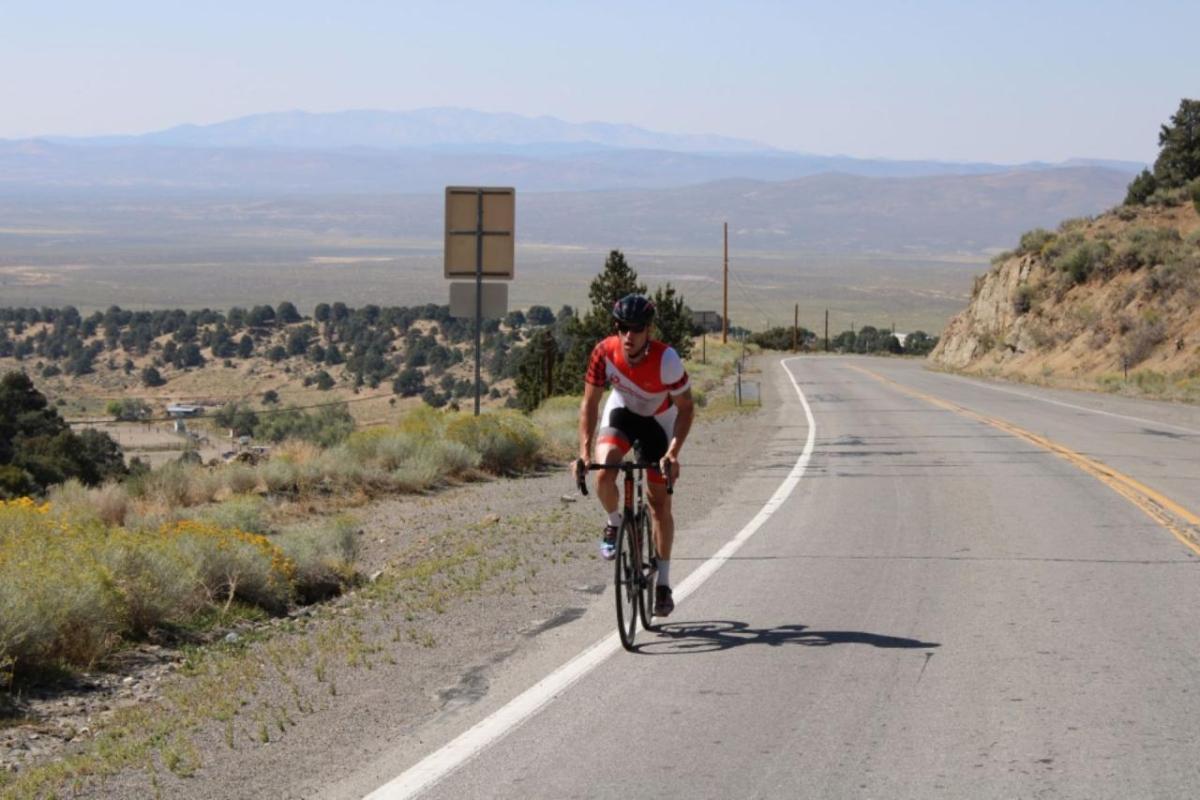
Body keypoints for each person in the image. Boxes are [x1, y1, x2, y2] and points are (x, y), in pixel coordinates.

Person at [572, 294, 694, 617]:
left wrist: (673, 452)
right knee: (604, 470)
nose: (629, 335)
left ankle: (664, 584)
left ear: (648, 331)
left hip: (659, 422)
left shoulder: (667, 360)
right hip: (623, 412)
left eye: (637, 329)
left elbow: (686, 408)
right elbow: (590, 404)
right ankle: (614, 522)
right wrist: (584, 452)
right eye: (623, 327)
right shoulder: (604, 352)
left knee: (659, 504)